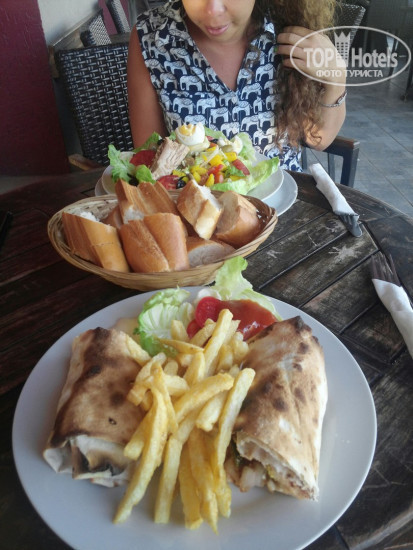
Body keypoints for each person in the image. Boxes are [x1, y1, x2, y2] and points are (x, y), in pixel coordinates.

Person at [127, 0, 346, 171]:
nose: (213, 10)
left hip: (286, 205)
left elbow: (318, 139)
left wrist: (336, 78)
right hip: (195, 208)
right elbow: (150, 161)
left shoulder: (289, 25)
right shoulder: (152, 37)